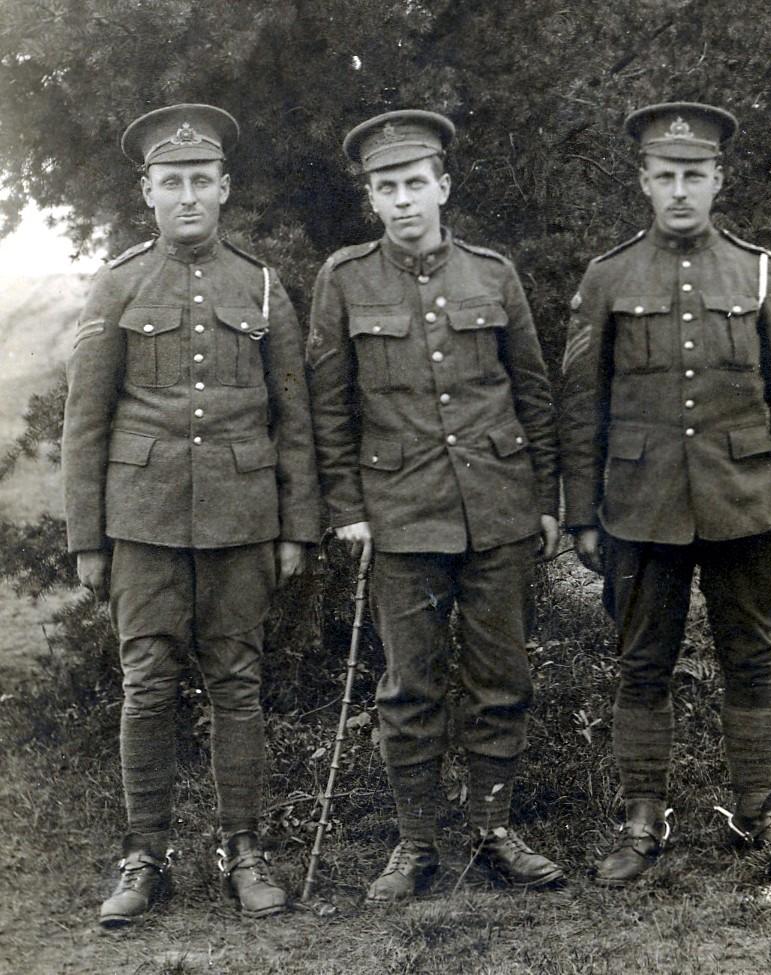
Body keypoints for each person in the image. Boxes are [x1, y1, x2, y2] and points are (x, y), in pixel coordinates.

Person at [559, 101, 771, 885]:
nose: (680, 189)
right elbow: (582, 403)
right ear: (643, 182)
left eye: (695, 175)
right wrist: (583, 513)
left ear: (718, 180)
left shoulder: (755, 269)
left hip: (744, 501)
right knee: (641, 665)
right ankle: (642, 817)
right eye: (665, 175)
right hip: (641, 507)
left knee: (753, 659)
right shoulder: (607, 275)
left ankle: (759, 812)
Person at [61, 103, 320, 924]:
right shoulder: (120, 281)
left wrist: (296, 525)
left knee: (238, 684)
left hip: (242, 519)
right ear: (148, 191)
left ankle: (243, 848)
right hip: (141, 521)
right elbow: (85, 418)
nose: (187, 196)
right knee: (147, 686)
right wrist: (87, 539)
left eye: (200, 181)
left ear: (224, 187)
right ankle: (145, 855)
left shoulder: (264, 284)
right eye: (170, 182)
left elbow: (294, 415)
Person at [307, 109, 564, 902]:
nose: (404, 199)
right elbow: (328, 407)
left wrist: (546, 499)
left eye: (417, 182)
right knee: (409, 686)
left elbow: (532, 392)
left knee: (501, 676)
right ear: (372, 200)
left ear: (442, 186)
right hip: (400, 513)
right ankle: (415, 843)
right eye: (388, 187)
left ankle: (492, 832)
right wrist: (348, 507)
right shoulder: (344, 280)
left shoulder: (493, 272)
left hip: (496, 508)